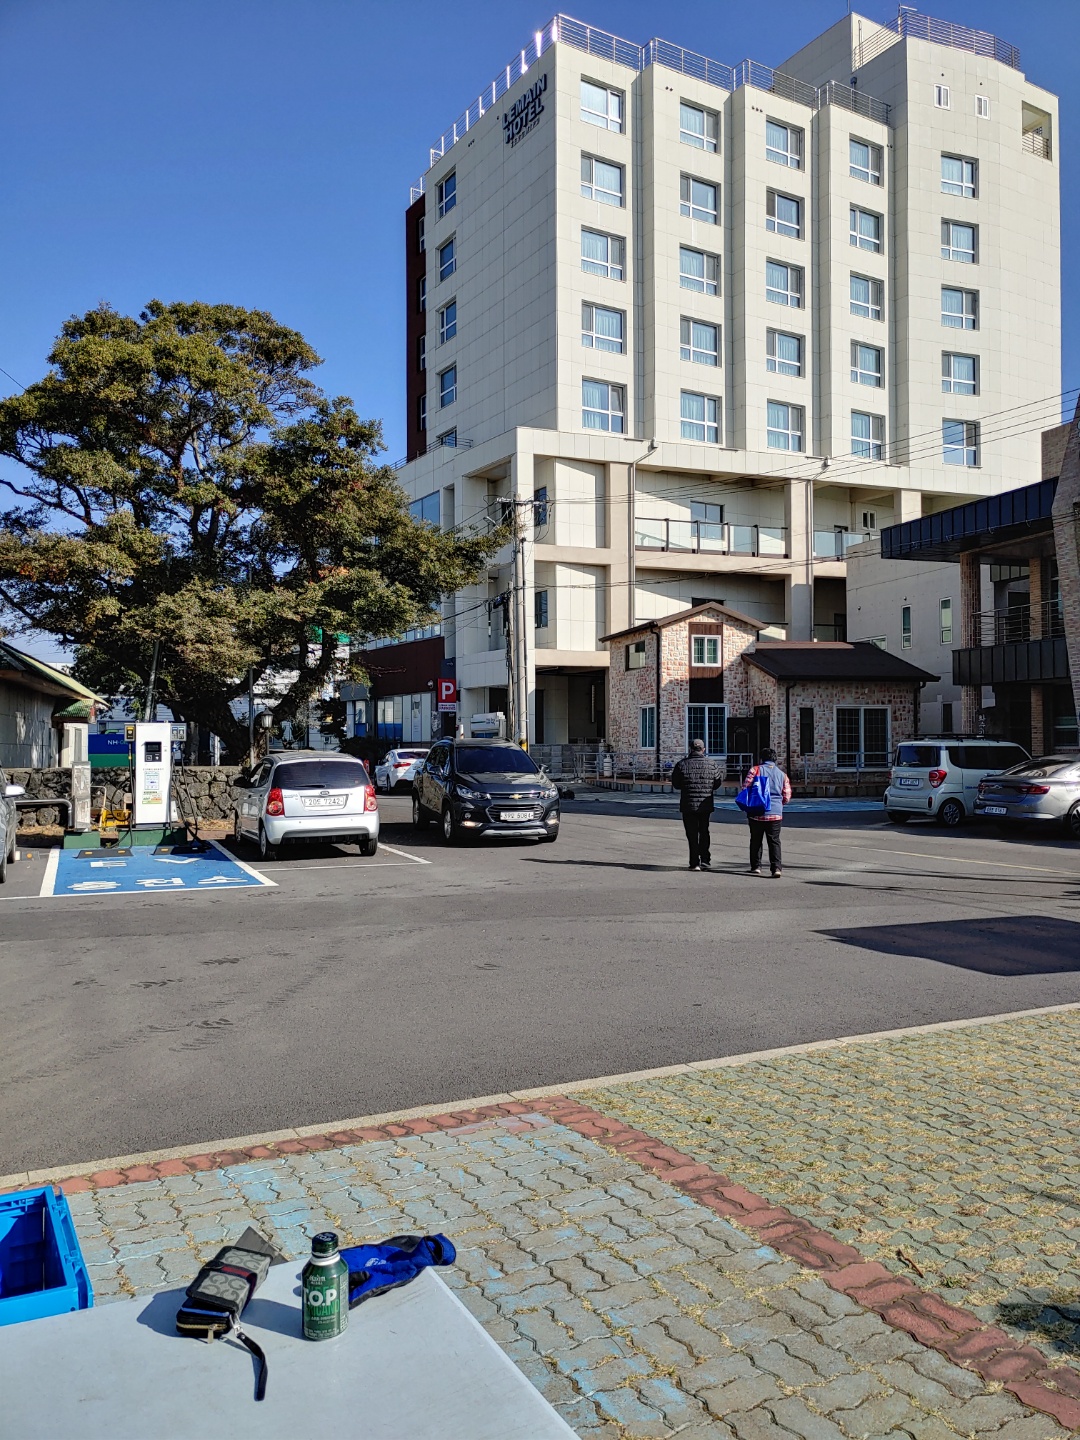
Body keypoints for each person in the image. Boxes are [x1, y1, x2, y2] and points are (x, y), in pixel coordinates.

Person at [671, 737, 724, 870]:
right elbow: (717, 782)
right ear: (703, 749)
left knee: (692, 834)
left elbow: (676, 784)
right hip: (705, 804)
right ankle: (705, 859)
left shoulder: (682, 764)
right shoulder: (711, 764)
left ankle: (694, 862)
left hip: (688, 804)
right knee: (704, 831)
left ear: (690, 749)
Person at [743, 747, 792, 877]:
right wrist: (779, 804)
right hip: (775, 812)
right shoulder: (782, 775)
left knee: (756, 840)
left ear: (761, 759)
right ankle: (776, 868)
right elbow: (787, 796)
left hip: (756, 811)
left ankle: (756, 866)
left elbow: (745, 787)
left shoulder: (755, 770)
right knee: (774, 841)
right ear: (775, 760)